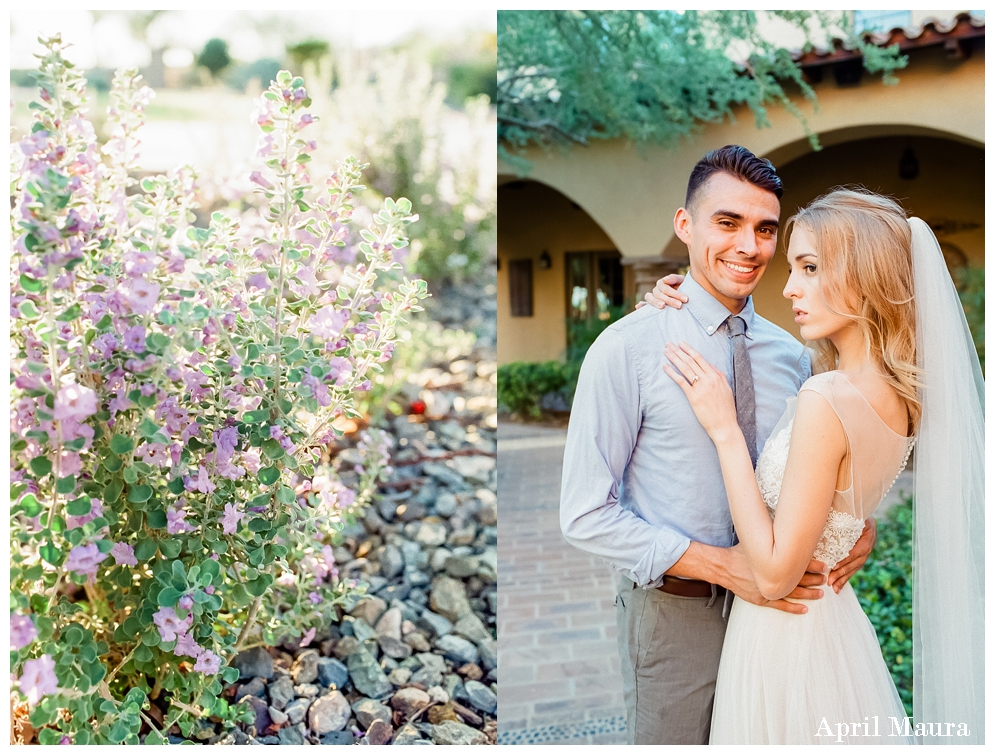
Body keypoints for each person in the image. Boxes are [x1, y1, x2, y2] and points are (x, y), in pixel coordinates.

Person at [559, 145, 878, 745]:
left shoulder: (796, 353)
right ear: (685, 225)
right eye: (727, 223)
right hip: (680, 616)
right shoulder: (628, 349)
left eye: (764, 229)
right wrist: (723, 567)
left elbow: (825, 462)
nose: (749, 246)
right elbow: (584, 514)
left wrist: (860, 525)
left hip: (787, 622)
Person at [655, 188, 984, 744]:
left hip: (785, 639)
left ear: (865, 276)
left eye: (809, 267)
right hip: (835, 626)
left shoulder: (828, 395)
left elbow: (776, 574)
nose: (788, 287)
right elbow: (843, 503)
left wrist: (725, 430)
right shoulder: (901, 396)